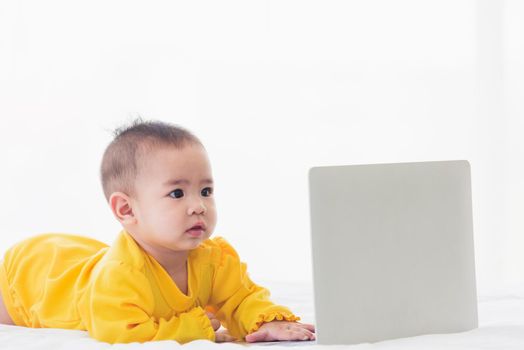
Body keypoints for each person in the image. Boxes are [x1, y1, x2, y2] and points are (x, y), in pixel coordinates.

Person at [0, 118, 315, 344]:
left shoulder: (215, 259)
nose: (198, 206)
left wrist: (270, 320)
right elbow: (120, 332)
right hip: (31, 277)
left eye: (206, 191)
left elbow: (242, 298)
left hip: (83, 258)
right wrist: (190, 327)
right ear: (127, 210)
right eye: (177, 194)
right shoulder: (121, 275)